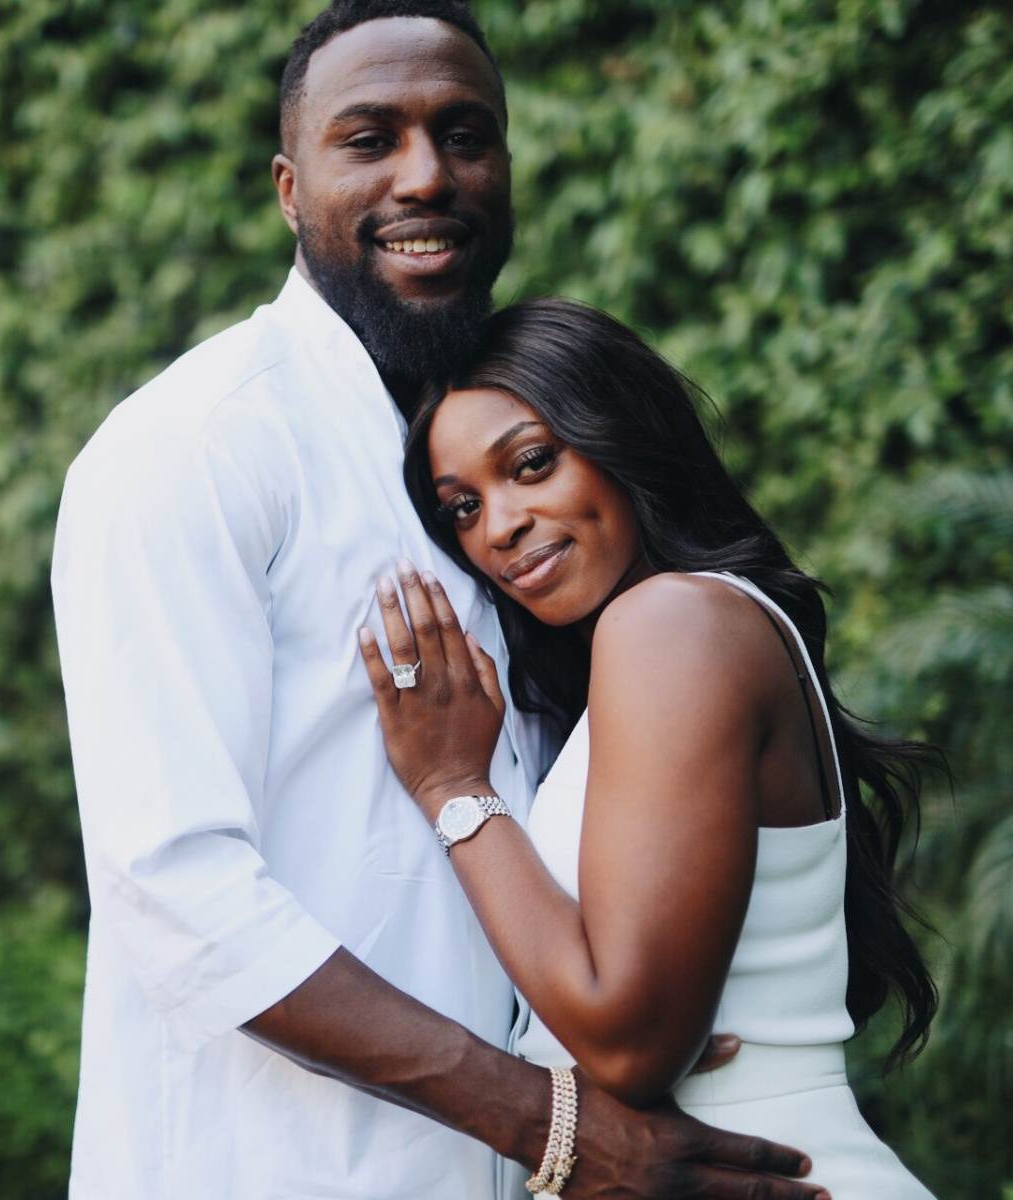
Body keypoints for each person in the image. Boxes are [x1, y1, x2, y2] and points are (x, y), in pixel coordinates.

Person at [51, 2, 831, 1197]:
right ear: (288, 190)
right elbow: (172, 892)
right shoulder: (196, 448)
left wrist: (651, 1055)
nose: (427, 175)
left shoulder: (512, 459)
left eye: (466, 135)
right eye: (370, 139)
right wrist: (548, 1119)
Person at [358, 297, 941, 1197]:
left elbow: (630, 1043)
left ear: (623, 436)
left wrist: (452, 786)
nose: (499, 526)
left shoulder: (671, 622)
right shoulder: (670, 645)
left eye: (532, 463)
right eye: (462, 507)